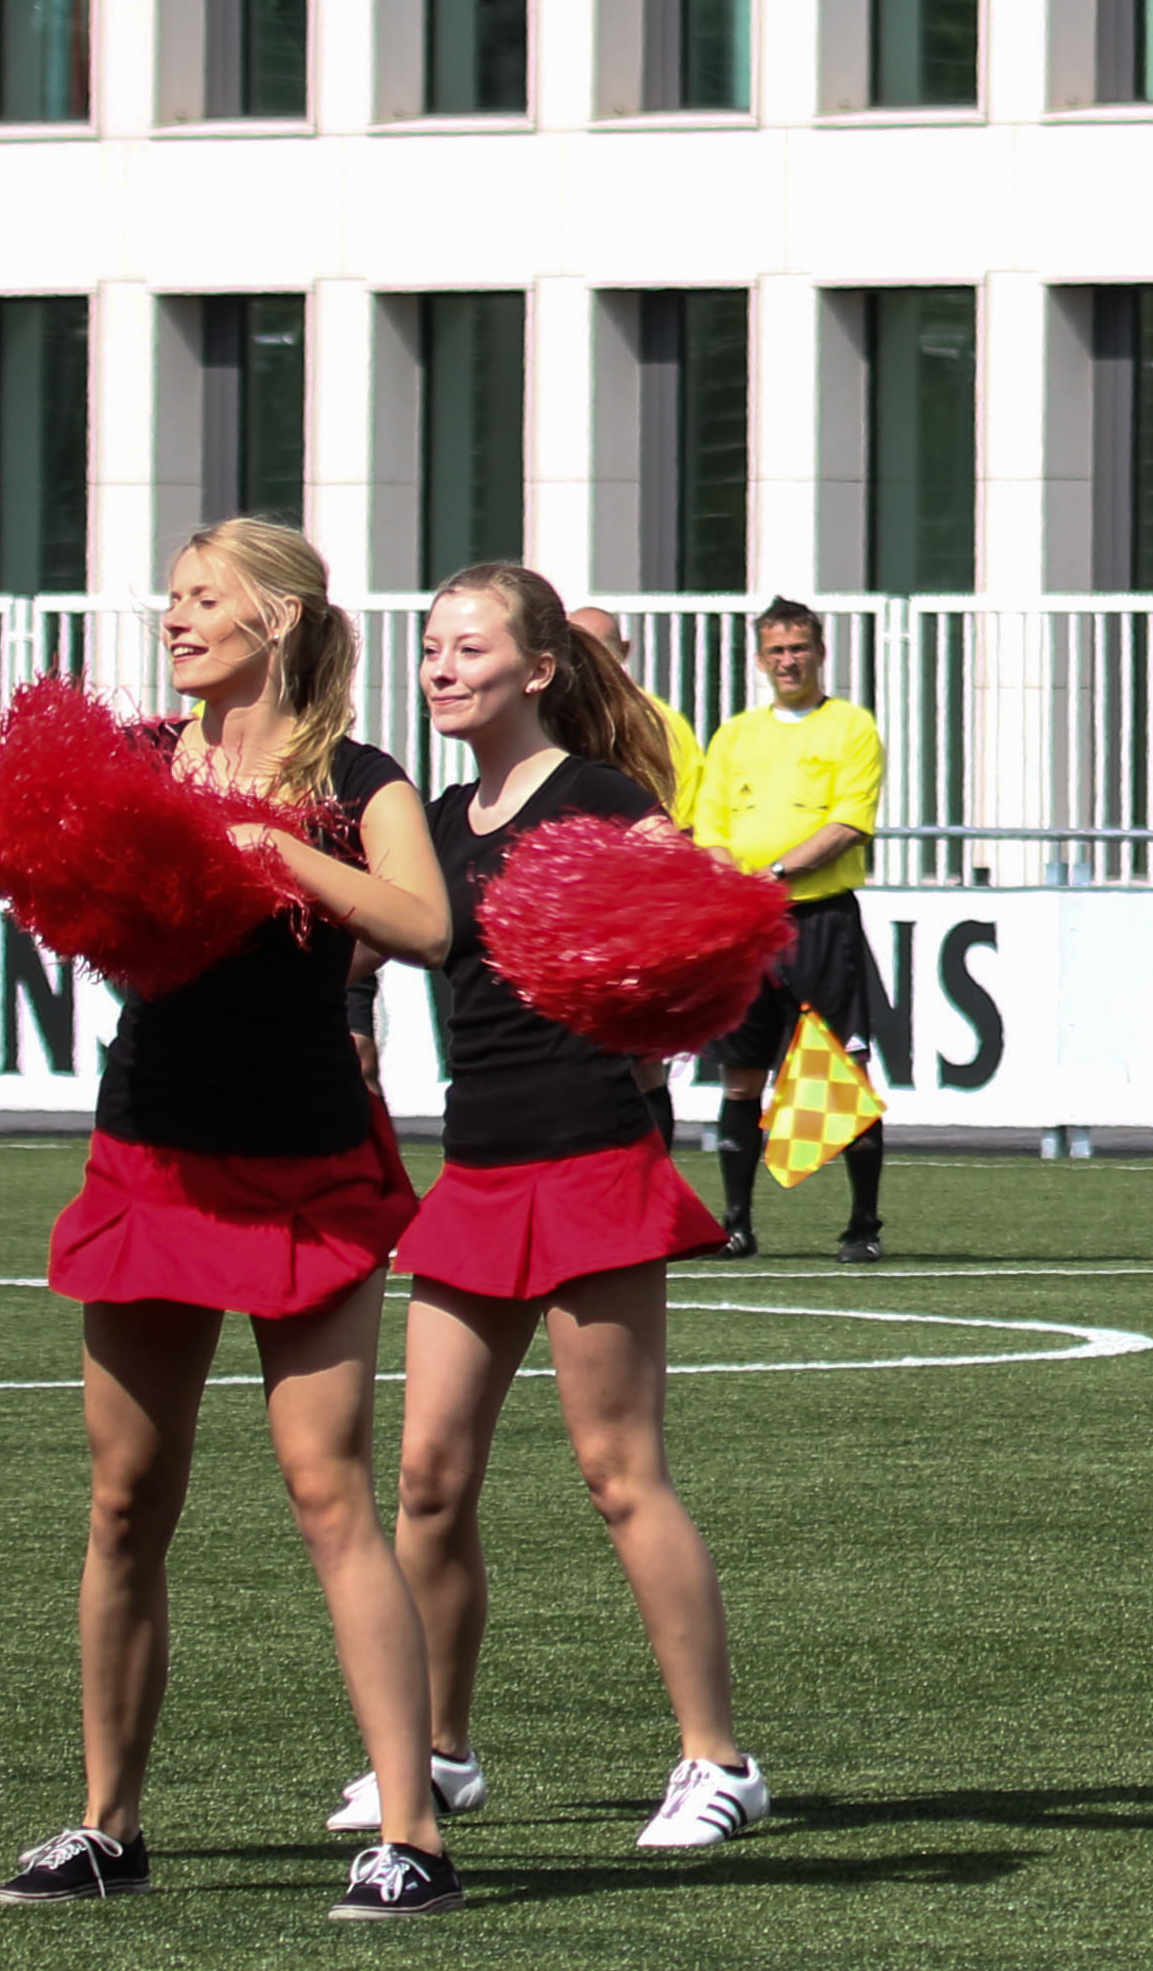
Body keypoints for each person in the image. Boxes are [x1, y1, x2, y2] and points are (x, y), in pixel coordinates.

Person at [0, 520, 465, 1920]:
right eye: (171, 599)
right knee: (125, 1503)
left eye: (201, 598)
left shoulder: (360, 780)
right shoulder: (129, 759)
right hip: (153, 1157)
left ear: (278, 619)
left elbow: (427, 925)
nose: (173, 619)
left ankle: (411, 1833)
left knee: (328, 1492)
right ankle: (106, 1826)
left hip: (307, 1163)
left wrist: (275, 849)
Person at [364, 564, 766, 1852]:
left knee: (618, 1469)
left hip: (590, 1156)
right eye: (431, 645)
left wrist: (653, 1026)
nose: (442, 666)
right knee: (427, 1477)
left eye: (469, 646)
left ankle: (719, 1759)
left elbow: (708, 928)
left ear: (537, 668)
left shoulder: (601, 799)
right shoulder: (431, 819)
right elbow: (366, 939)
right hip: (477, 1166)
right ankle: (439, 1752)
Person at [693, 600, 893, 1260]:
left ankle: (863, 1225)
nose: (789, 661)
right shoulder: (734, 736)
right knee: (741, 1074)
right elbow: (710, 825)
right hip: (748, 922)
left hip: (819, 921)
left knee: (841, 1072)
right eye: (777, 650)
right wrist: (734, 881)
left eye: (799, 648)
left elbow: (848, 823)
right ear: (759, 659)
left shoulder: (850, 727)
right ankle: (736, 1224)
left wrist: (773, 873)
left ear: (820, 653)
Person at [572, 605, 708, 832]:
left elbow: (684, 820)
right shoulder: (548, 718)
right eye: (575, 652)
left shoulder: (661, 724)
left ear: (624, 650)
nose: (584, 663)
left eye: (597, 652)